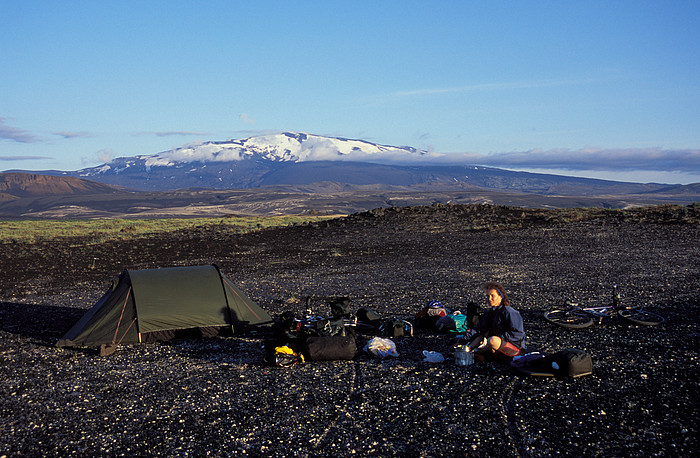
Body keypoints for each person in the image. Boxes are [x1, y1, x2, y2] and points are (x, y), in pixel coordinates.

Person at [465, 282, 526, 362]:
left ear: (501, 297)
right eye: (488, 296)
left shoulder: (510, 312)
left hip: (515, 348)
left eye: (492, 296)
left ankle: (481, 353)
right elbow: (479, 328)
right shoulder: (492, 312)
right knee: (482, 334)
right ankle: (467, 350)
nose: (489, 299)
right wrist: (463, 340)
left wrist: (500, 337)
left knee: (492, 340)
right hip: (499, 343)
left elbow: (518, 334)